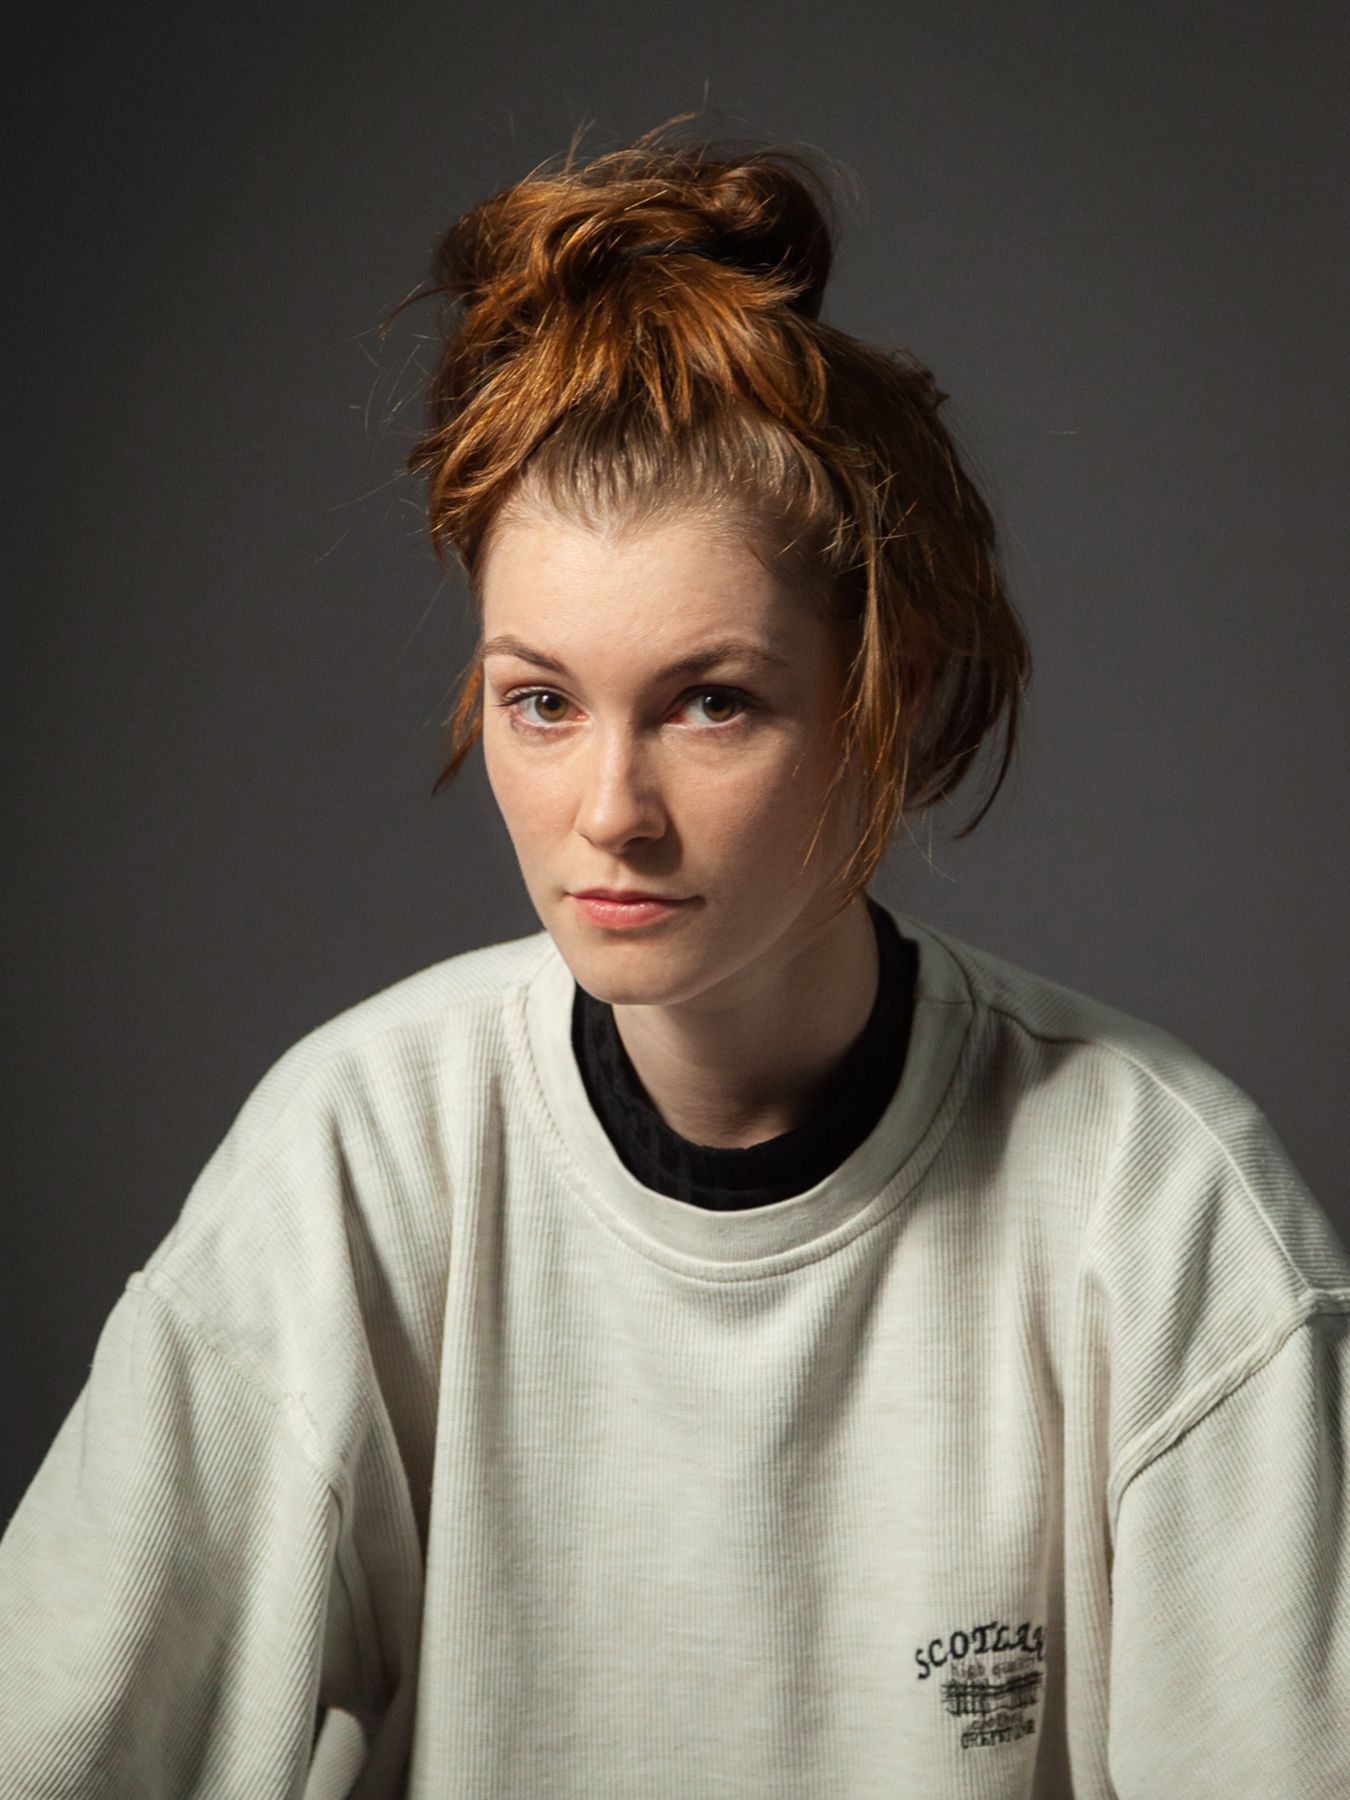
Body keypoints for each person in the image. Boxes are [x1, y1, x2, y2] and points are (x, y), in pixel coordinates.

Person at [2, 117, 1347, 1800]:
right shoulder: (360, 1155)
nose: (608, 814)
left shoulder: (1156, 1215)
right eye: (540, 702)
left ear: (882, 701)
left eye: (711, 703)